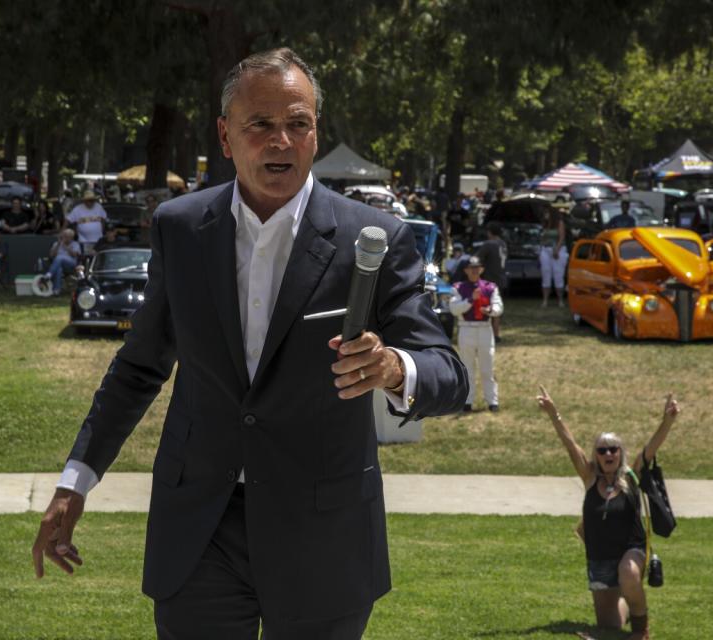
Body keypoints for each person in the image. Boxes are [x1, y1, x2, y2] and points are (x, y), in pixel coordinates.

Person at [32, 47, 469, 639]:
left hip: (326, 533)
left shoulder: (375, 238)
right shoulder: (180, 229)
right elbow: (140, 367)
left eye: (298, 124)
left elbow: (448, 372)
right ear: (225, 134)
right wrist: (76, 480)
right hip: (200, 530)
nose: (280, 141)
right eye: (260, 125)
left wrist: (393, 368)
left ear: (316, 132)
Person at [536, 387, 681, 640]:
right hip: (600, 558)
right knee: (609, 624)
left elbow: (651, 447)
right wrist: (553, 413)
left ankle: (641, 631)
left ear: (620, 453)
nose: (608, 454)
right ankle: (629, 599)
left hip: (631, 551)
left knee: (629, 572)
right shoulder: (590, 477)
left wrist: (667, 421)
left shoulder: (631, 476)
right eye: (602, 450)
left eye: (613, 448)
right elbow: (570, 444)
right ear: (596, 455)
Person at [449, 256, 503, 412]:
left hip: (485, 329)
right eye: (471, 268)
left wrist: (490, 311)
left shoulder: (490, 287)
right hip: (466, 328)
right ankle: (467, 400)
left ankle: (492, 400)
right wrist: (470, 300)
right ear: (465, 270)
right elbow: (454, 309)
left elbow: (498, 306)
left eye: (476, 268)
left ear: (481, 269)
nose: (474, 271)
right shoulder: (458, 287)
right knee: (467, 367)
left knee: (488, 367)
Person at [473, 222, 508, 342]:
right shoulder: (503, 244)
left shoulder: (489, 244)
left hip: (490, 279)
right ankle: (496, 334)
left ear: (490, 232)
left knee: (486, 306)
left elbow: (476, 259)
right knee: (497, 305)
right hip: (501, 278)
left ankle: (488, 334)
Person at [540, 205, 568, 308]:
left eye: (547, 213)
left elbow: (562, 237)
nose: (545, 215)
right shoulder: (545, 224)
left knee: (558, 274)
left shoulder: (559, 223)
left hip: (558, 250)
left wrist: (557, 249)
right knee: (546, 273)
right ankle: (545, 300)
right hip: (545, 249)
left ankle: (560, 300)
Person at [42, 229, 82, 295]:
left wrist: (65, 246)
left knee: (59, 257)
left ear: (71, 237)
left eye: (67, 236)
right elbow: (51, 255)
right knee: (59, 269)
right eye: (64, 236)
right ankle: (56, 290)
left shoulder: (75, 244)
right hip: (58, 264)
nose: (65, 238)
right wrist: (58, 245)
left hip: (71, 265)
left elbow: (75, 255)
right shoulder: (57, 243)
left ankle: (48, 275)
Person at [67, 189, 108, 254]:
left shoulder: (98, 207)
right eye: (89, 200)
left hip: (98, 240)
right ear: (84, 201)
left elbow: (104, 219)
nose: (91, 202)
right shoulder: (77, 209)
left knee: (98, 257)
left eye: (92, 200)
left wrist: (101, 230)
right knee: (86, 257)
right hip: (84, 241)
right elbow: (68, 220)